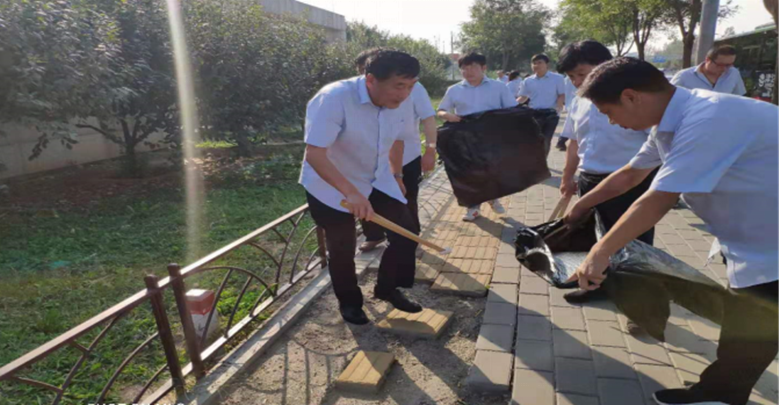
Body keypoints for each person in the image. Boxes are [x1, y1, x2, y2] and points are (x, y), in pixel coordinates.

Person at [566, 57, 779, 405]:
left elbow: (659, 198)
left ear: (631, 97)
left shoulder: (709, 119)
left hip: (770, 239)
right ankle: (721, 392)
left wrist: (599, 252)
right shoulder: (671, 123)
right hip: (758, 236)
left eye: (608, 112)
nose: (611, 121)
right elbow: (631, 174)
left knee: (754, 320)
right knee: (753, 317)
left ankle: (719, 396)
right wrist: (582, 204)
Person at [300, 50, 425, 326]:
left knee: (407, 233)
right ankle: (350, 302)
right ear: (370, 80)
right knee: (342, 247)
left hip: (377, 177)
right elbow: (315, 154)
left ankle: (387, 288)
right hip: (330, 183)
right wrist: (351, 193)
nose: (405, 94)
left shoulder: (401, 100)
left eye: (410, 86)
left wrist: (397, 175)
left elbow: (397, 140)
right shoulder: (333, 98)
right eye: (399, 85)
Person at [556, 42, 656, 337]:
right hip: (591, 179)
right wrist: (568, 177)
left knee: (634, 246)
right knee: (595, 239)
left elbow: (657, 143)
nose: (578, 82)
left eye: (582, 73)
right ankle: (598, 287)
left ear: (606, 66)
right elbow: (574, 142)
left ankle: (641, 310)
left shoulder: (632, 98)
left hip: (631, 181)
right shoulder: (579, 101)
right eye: (572, 77)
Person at [353, 49, 439, 253]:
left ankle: (411, 239)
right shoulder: (357, 91)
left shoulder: (414, 87)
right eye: (362, 72)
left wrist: (430, 150)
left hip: (407, 155)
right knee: (369, 197)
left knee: (406, 199)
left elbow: (428, 118)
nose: (365, 77)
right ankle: (374, 235)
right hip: (370, 158)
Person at [437, 52, 519, 222]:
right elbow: (441, 110)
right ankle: (473, 207)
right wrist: (448, 115)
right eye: (464, 68)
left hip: (492, 137)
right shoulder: (454, 90)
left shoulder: (499, 87)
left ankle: (492, 197)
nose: (468, 72)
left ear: (483, 68)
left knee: (492, 171)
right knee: (469, 173)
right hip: (465, 138)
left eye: (473, 67)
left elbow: (512, 110)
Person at [518, 54, 566, 156]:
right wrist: (511, 105)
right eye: (534, 63)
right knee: (533, 140)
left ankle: (542, 163)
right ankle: (533, 162)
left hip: (551, 114)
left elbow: (561, 94)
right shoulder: (528, 81)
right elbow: (523, 97)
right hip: (534, 114)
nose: (536, 65)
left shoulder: (557, 78)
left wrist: (558, 107)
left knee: (546, 140)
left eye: (540, 63)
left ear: (547, 64)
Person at [672, 45, 747, 96]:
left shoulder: (733, 73)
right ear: (707, 60)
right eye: (720, 65)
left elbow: (739, 99)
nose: (724, 69)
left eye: (728, 65)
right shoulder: (683, 76)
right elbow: (668, 100)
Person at [556, 76, 578, 152]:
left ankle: (561, 141)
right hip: (575, 103)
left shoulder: (566, 80)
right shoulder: (568, 80)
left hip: (571, 103)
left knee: (570, 124)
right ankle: (562, 141)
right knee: (571, 125)